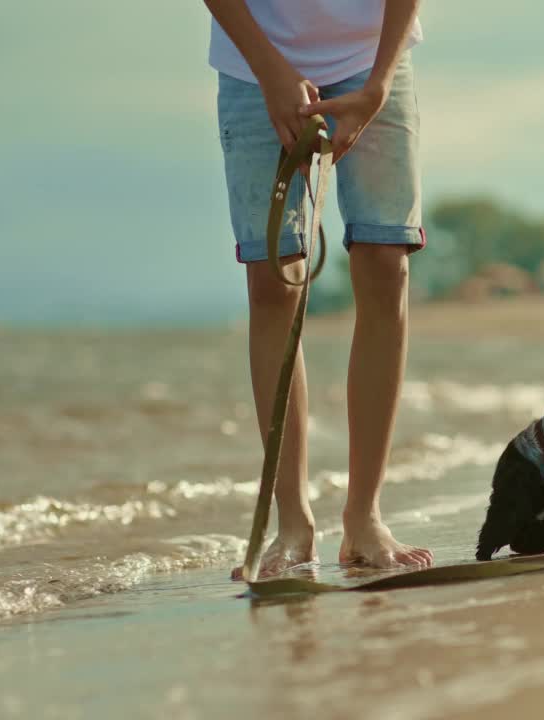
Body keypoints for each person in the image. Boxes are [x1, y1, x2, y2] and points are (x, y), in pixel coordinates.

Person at [204, 0, 433, 576]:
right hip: (255, 65)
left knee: (387, 266)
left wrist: (379, 84)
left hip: (372, 58)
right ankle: (292, 524)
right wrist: (270, 71)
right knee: (273, 282)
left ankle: (365, 517)